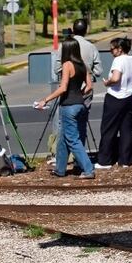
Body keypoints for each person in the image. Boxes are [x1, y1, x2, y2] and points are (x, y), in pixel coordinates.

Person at [36, 38, 95, 179]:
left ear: (67, 50)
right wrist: (79, 95)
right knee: (63, 139)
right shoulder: (83, 65)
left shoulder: (67, 64)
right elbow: (89, 86)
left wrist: (45, 100)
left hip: (68, 106)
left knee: (73, 140)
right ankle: (60, 169)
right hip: (81, 105)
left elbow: (63, 88)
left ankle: (88, 169)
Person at [97, 36, 132, 169]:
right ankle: (126, 160)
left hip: (115, 97)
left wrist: (107, 82)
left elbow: (115, 78)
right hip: (130, 96)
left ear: (119, 49)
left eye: (112, 49)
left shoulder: (118, 60)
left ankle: (105, 160)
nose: (111, 52)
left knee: (108, 129)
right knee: (127, 129)